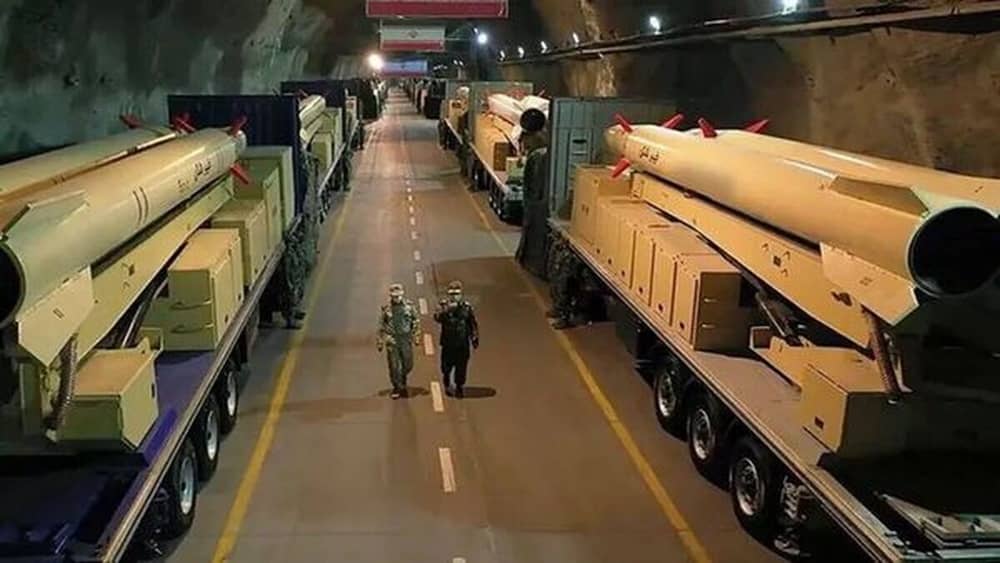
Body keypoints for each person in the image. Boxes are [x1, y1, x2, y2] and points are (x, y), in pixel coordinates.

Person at [434, 280, 480, 398]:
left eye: (457, 294)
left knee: (461, 367)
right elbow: (437, 318)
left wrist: (474, 337)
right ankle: (447, 382)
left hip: (462, 343)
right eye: (452, 294)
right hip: (448, 343)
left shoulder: (466, 307)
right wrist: (447, 310)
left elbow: (472, 323)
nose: (455, 297)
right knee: (446, 367)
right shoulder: (443, 305)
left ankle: (459, 386)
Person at [376, 283, 421, 399]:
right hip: (392, 340)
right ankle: (397, 387)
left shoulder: (409, 307)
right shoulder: (387, 309)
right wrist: (380, 341)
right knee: (394, 366)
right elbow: (381, 325)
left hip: (405, 339)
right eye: (394, 296)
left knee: (408, 364)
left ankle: (402, 378)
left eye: (398, 296)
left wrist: (416, 336)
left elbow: (416, 320)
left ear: (402, 295)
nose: (396, 298)